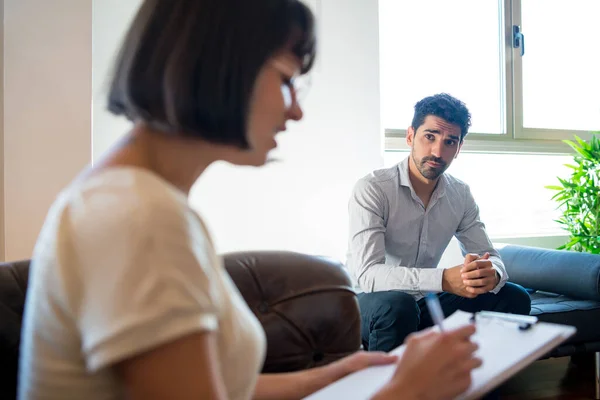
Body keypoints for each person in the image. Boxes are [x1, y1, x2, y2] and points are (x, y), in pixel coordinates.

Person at [18, 2, 481, 400]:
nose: (295, 109)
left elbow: (215, 387)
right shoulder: (138, 216)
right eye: (285, 79)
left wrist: (338, 373)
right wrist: (404, 393)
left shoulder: (139, 199)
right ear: (215, 66)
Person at [347, 93, 532, 353]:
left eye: (450, 142)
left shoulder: (460, 194)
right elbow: (368, 275)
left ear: (459, 148)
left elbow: (491, 256)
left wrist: (490, 274)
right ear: (410, 136)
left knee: (513, 297)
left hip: (424, 301)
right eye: (430, 137)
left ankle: (482, 382)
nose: (437, 151)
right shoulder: (373, 188)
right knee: (398, 306)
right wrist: (444, 279)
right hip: (369, 303)